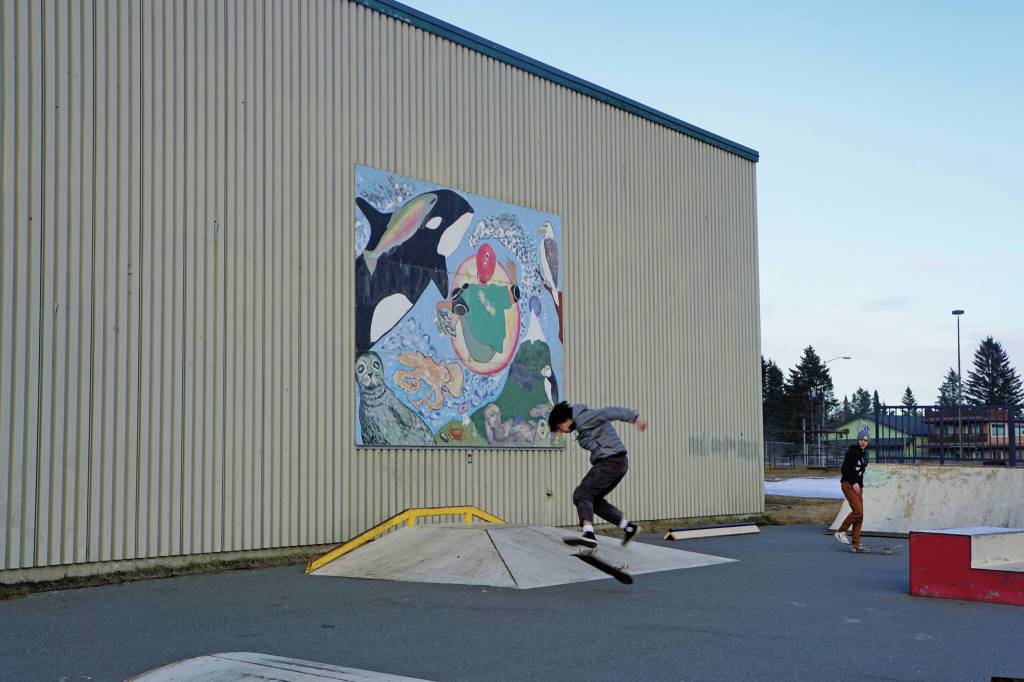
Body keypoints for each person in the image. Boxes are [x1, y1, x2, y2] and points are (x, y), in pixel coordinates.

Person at [548, 401, 648, 548]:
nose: (561, 432)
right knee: (593, 500)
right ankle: (628, 527)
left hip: (610, 462)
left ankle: (588, 534)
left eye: (559, 428)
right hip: (618, 463)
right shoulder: (581, 426)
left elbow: (609, 412)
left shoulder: (584, 418)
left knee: (582, 494)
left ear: (565, 419)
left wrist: (634, 418)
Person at [835, 425, 870, 552]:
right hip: (848, 484)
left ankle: (856, 544)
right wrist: (854, 482)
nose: (863, 442)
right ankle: (841, 531)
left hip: (857, 486)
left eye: (865, 440)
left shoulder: (865, 455)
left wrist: (859, 486)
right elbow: (844, 469)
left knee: (860, 516)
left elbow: (861, 473)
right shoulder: (852, 451)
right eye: (861, 440)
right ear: (857, 440)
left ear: (868, 442)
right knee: (857, 511)